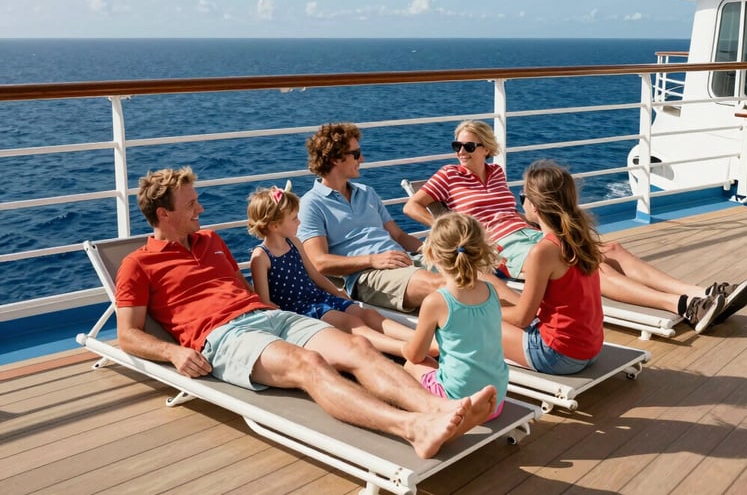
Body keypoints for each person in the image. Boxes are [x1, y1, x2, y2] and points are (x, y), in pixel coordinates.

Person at [115, 166, 497, 459]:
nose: (201, 208)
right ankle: (413, 427)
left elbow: (242, 288)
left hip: (267, 314)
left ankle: (441, 408)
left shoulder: (211, 240)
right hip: (223, 336)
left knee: (358, 348)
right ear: (164, 214)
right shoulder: (138, 264)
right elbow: (127, 334)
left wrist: (274, 310)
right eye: (191, 204)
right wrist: (174, 352)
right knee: (309, 364)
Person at [404, 120, 747, 335]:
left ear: (486, 148)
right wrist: (449, 229)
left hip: (526, 233)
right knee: (588, 265)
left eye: (468, 146)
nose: (461, 151)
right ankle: (683, 305)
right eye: (457, 146)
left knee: (612, 250)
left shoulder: (496, 174)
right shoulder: (448, 175)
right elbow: (412, 206)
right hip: (500, 247)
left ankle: (703, 292)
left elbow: (517, 213)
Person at [247, 182, 429, 359]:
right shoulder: (261, 257)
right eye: (294, 218)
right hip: (300, 309)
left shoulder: (294, 243)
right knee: (352, 323)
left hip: (318, 297)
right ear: (275, 226)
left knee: (366, 314)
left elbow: (314, 274)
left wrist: (337, 292)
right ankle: (406, 349)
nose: (299, 222)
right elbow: (265, 301)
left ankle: (424, 341)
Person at [298, 122, 445, 312]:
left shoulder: (367, 193)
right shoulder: (311, 204)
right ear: (335, 159)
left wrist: (432, 251)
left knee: (476, 275)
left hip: (403, 259)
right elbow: (319, 262)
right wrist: (373, 260)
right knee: (445, 286)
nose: (363, 159)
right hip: (368, 275)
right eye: (356, 154)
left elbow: (398, 236)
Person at [500, 160, 605, 373]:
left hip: (558, 355)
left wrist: (485, 311)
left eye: (523, 197)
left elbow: (522, 318)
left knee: (474, 323)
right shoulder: (579, 236)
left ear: (535, 206)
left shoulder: (543, 251)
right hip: (590, 349)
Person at [402, 212, 508, 420]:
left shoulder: (437, 301)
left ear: (431, 253)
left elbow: (415, 355)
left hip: (459, 403)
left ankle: (423, 417)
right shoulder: (491, 291)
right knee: (434, 365)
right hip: (495, 403)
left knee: (411, 366)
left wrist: (405, 347)